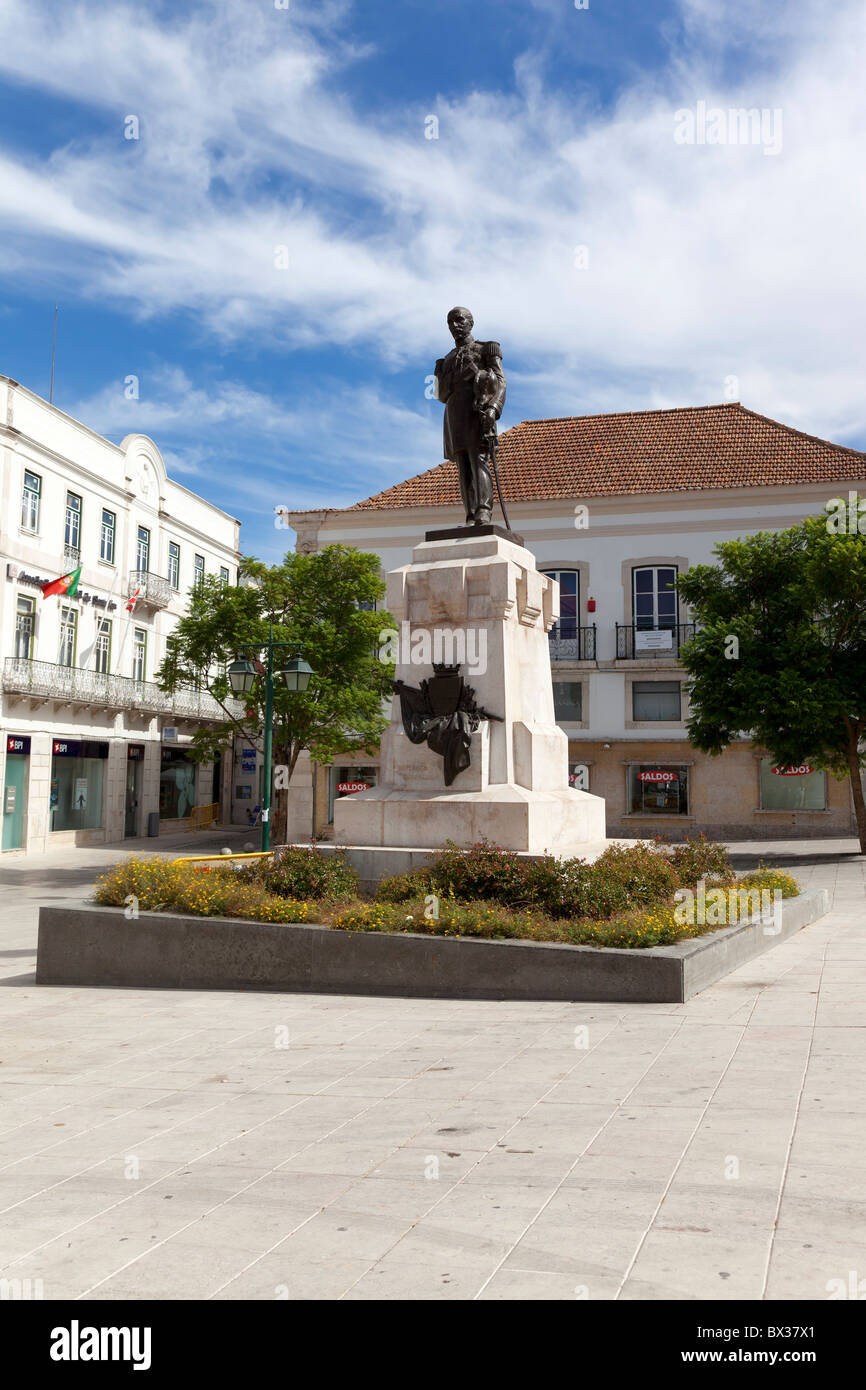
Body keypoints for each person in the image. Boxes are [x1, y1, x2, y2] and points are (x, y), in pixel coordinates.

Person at [434, 306, 506, 525]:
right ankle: (470, 514)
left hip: (478, 411)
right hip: (454, 414)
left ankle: (484, 511)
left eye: (459, 320)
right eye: (450, 322)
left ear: (470, 323)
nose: (454, 325)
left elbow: (500, 382)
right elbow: (441, 394)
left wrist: (493, 408)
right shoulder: (445, 360)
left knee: (479, 461)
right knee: (463, 465)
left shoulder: (486, 349)